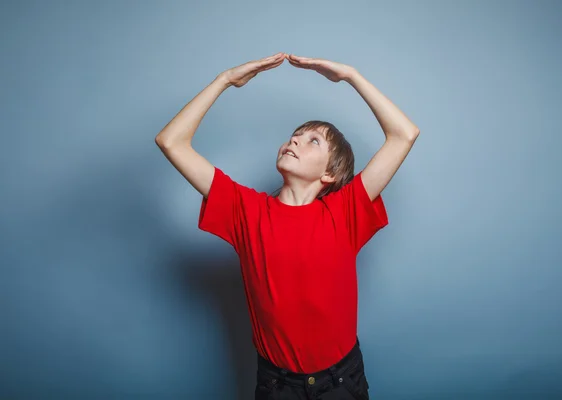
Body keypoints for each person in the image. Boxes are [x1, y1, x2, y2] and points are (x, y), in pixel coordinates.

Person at [155, 52, 420, 400]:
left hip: (341, 382)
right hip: (277, 386)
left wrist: (351, 76)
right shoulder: (245, 210)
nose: (294, 140)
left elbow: (404, 133)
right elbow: (170, 141)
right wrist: (224, 81)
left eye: (313, 141)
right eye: (295, 135)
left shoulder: (346, 210)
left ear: (330, 175)